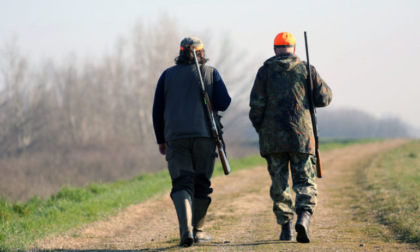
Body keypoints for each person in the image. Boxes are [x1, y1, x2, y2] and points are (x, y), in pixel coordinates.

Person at [249, 32, 332, 243]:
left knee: (279, 184)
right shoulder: (306, 69)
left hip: (273, 139)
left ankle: (286, 228)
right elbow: (324, 98)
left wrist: (262, 129)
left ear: (275, 49)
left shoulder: (264, 71)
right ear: (294, 49)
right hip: (302, 137)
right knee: (305, 181)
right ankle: (303, 219)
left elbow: (256, 106)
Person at [152, 37, 231, 247]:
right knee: (201, 183)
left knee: (181, 182)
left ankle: (185, 231)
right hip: (206, 136)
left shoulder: (167, 75)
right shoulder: (211, 73)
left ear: (181, 52)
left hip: (175, 138)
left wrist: (161, 139)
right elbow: (224, 103)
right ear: (201, 53)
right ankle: (198, 230)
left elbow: (157, 110)